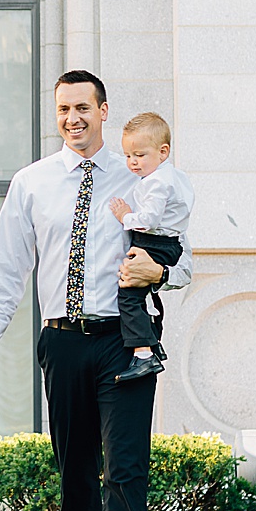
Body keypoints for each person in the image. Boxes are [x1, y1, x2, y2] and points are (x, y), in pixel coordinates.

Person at [0, 70, 193, 511]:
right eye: (63, 109)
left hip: (123, 343)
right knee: (77, 483)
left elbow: (183, 262)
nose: (73, 118)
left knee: (127, 478)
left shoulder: (141, 176)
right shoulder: (31, 183)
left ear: (103, 111)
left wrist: (158, 273)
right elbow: (4, 271)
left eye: (83, 107)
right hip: (61, 342)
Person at [107, 111, 194, 383]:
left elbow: (148, 220)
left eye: (139, 155)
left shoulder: (157, 182)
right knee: (142, 297)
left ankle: (144, 354)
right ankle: (153, 344)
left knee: (130, 294)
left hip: (155, 242)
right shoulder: (175, 177)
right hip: (166, 241)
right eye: (128, 155)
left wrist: (125, 216)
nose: (132, 162)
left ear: (163, 151)